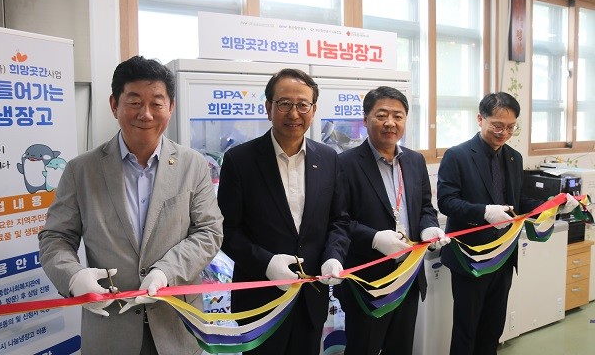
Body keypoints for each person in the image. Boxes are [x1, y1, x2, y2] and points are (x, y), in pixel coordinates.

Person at [38, 56, 224, 355]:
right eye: (134, 102)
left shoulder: (192, 165)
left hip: (177, 325)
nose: (146, 114)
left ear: (171, 107)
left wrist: (166, 272)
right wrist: (73, 276)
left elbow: (209, 231)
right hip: (110, 329)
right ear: (115, 105)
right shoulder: (81, 170)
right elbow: (55, 237)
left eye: (157, 103)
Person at [217, 68, 351, 355]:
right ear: (268, 108)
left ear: (313, 110)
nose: (294, 113)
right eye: (285, 103)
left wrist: (333, 256)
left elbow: (339, 220)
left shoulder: (328, 158)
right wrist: (265, 263)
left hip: (310, 298)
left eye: (303, 104)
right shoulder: (240, 160)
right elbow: (226, 231)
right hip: (259, 302)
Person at [437, 92, 578, 355]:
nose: (504, 133)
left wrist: (553, 205)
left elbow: (519, 202)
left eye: (511, 127)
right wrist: (484, 212)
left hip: (503, 256)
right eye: (497, 126)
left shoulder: (513, 157)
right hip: (470, 258)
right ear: (480, 119)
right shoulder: (457, 156)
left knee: (493, 328)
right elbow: (446, 202)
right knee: (466, 329)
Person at [336, 86, 449, 355]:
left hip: (408, 277)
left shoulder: (414, 161)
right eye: (381, 115)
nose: (390, 122)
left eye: (398, 116)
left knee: (401, 348)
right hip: (366, 283)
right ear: (366, 119)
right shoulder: (344, 163)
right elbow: (338, 220)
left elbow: (425, 207)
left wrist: (429, 227)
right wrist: (374, 239)